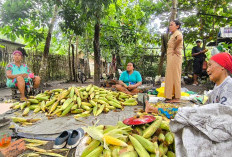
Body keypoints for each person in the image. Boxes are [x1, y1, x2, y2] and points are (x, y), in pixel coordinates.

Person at [164, 20, 183, 103]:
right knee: (170, 75)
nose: (170, 26)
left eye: (172, 25)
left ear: (177, 26)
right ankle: (170, 95)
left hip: (175, 56)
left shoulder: (178, 33)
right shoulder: (173, 34)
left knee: (175, 75)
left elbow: (179, 39)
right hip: (171, 56)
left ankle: (177, 97)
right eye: (169, 25)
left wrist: (175, 48)